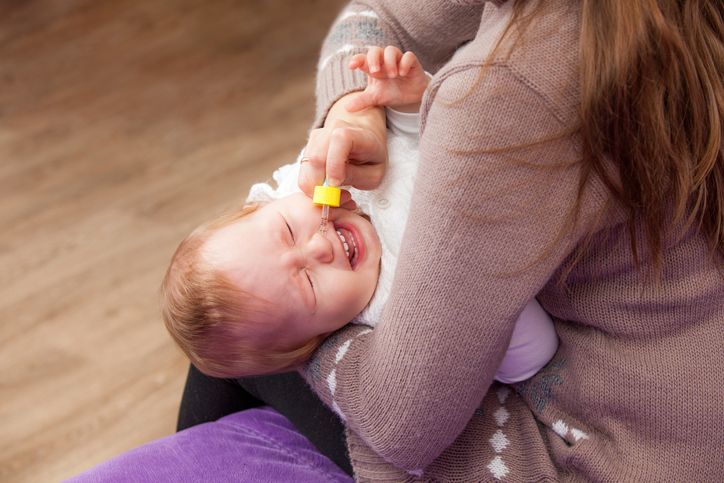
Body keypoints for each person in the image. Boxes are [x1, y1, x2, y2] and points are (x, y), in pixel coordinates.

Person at [181, 0, 723, 480]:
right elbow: (373, 18)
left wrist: (303, 344)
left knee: (231, 345)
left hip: (644, 435)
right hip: (682, 341)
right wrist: (358, 112)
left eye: (291, 235)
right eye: (303, 271)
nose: (317, 245)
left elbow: (405, 426)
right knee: (229, 309)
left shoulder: (500, 101)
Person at [161, 47, 557, 384]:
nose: (319, 246)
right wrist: (478, 286)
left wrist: (405, 104)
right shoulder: (403, 308)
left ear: (268, 203)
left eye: (287, 230)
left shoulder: (327, 170)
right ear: (318, 339)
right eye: (310, 285)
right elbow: (533, 356)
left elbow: (426, 136)